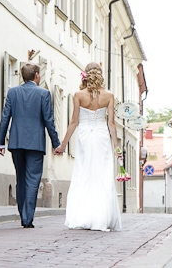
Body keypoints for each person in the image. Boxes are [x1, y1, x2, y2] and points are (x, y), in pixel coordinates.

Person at [54, 62, 122, 232]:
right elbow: (111, 124)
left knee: (83, 174)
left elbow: (74, 122)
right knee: (102, 175)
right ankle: (102, 217)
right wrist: (117, 148)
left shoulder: (78, 95)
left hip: (84, 136)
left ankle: (82, 216)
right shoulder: (109, 95)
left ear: (85, 75)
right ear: (100, 75)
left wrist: (63, 145)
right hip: (101, 136)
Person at [0, 62, 61, 229]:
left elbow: (5, 118)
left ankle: (22, 213)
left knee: (21, 178)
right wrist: (56, 143)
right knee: (33, 179)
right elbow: (49, 121)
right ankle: (27, 218)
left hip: (16, 142)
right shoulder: (44, 94)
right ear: (37, 75)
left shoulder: (13, 92)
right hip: (35, 144)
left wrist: (0, 142)